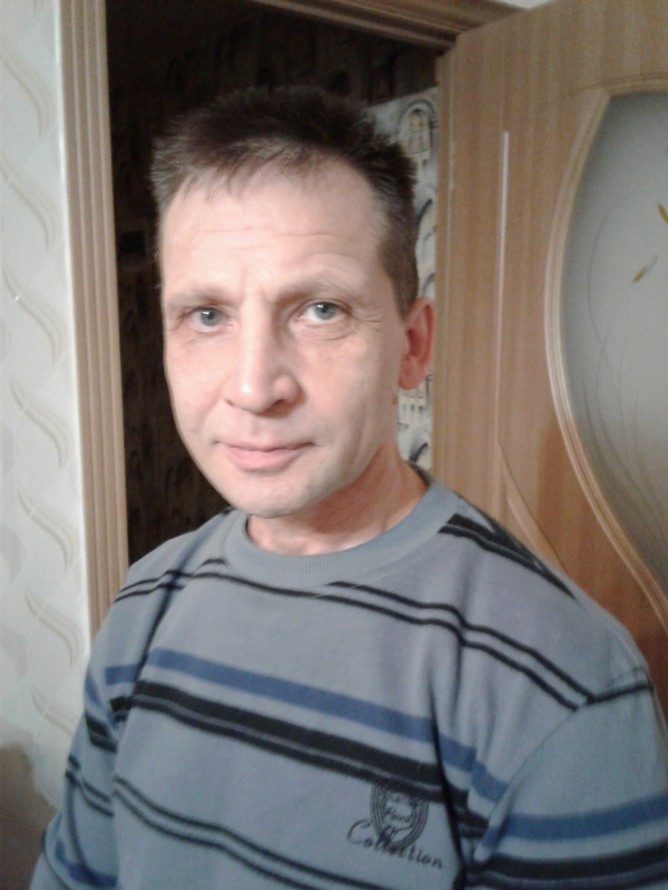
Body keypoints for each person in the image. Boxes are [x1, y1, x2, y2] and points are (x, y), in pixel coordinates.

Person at [33, 87, 667, 890]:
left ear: (412, 345)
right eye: (206, 316)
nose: (254, 387)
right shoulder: (145, 603)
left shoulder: (558, 678)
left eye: (321, 309)